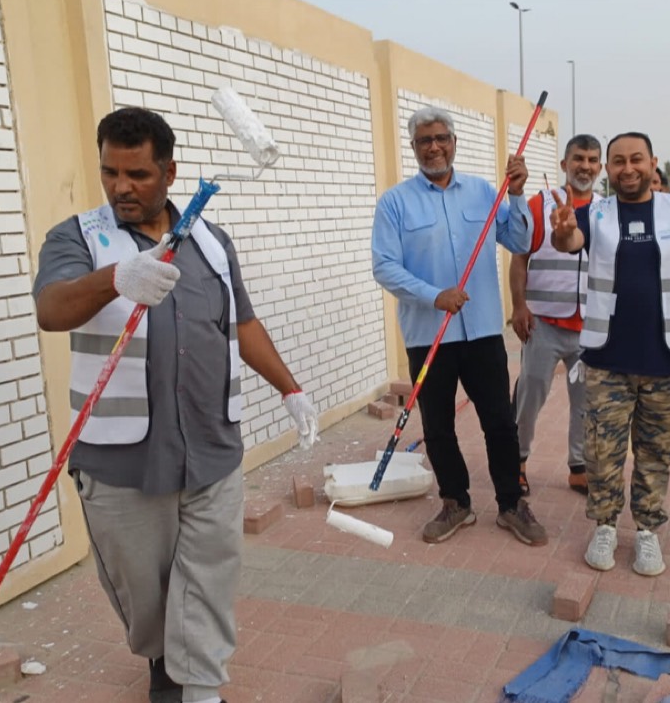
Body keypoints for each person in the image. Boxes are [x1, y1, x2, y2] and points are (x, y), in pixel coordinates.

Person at [33, 107, 320, 703]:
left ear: (169, 172)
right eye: (110, 172)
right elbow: (52, 309)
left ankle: (200, 686)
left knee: (211, 571)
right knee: (145, 590)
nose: (121, 187)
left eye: (137, 174)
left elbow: (242, 323)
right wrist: (116, 278)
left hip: (212, 445)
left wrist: (290, 388)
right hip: (123, 458)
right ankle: (166, 660)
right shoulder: (79, 237)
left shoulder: (211, 241)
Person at [549, 132, 670, 576]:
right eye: (618, 161)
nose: (627, 168)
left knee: (656, 452)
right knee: (602, 452)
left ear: (652, 163)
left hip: (668, 359)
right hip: (607, 358)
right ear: (608, 170)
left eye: (636, 159)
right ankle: (605, 525)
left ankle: (647, 530)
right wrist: (564, 231)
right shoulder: (596, 213)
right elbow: (569, 242)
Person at [372, 106, 548, 547]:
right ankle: (456, 502)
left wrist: (516, 196)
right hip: (429, 335)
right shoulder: (394, 203)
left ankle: (511, 504)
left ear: (454, 142)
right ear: (414, 147)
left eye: (441, 138)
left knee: (500, 422)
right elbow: (385, 267)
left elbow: (519, 241)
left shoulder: (485, 191)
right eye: (424, 141)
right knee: (437, 426)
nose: (434, 147)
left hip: (483, 331)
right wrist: (435, 295)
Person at [510, 134, 603, 496]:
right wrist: (519, 306)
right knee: (530, 394)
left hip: (590, 326)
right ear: (564, 164)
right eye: (578, 158)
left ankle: (578, 467)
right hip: (543, 323)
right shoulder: (540, 204)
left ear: (600, 167)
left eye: (592, 160)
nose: (585, 166)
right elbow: (519, 259)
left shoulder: (606, 210)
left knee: (585, 400)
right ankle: (517, 461)